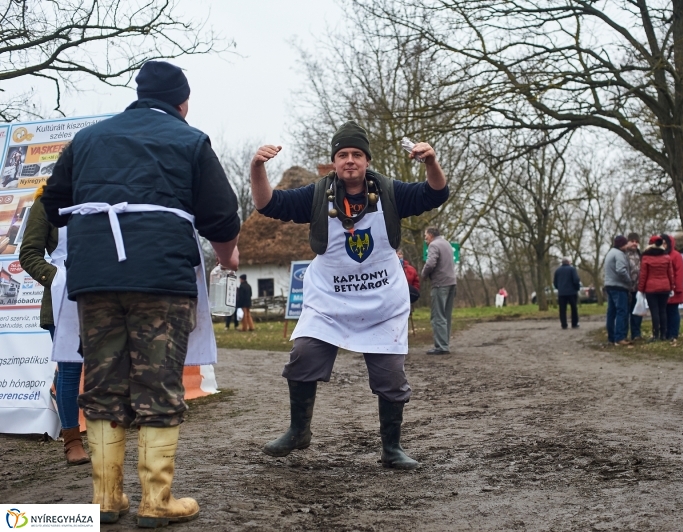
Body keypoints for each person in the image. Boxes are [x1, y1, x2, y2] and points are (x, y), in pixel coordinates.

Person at [41, 61, 240, 526]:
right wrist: (228, 255)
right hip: (159, 279)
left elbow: (52, 203)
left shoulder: (88, 139)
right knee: (157, 383)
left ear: (137, 94)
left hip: (94, 278)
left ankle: (106, 499)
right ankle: (156, 501)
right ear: (183, 103)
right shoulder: (191, 140)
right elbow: (222, 216)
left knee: (104, 383)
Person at [250, 121, 448, 470]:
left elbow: (434, 194)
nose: (350, 160)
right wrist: (257, 168)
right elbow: (269, 204)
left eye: (357, 154)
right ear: (335, 161)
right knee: (303, 356)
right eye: (342, 155)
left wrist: (431, 161)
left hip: (382, 304)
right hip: (329, 302)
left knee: (391, 377)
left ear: (367, 160)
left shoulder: (390, 192)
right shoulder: (316, 196)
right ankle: (299, 431)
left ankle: (392, 447)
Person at [19, 184, 90, 466]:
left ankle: (58, 387)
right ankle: (72, 440)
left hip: (100, 289)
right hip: (62, 295)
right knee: (72, 366)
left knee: (97, 363)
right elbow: (28, 254)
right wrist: (57, 278)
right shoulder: (46, 202)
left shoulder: (98, 198)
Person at [421, 227, 457, 355]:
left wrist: (423, 275)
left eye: (426, 236)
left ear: (430, 235)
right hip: (452, 282)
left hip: (440, 284)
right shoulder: (446, 243)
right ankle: (445, 344)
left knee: (438, 315)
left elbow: (430, 263)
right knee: (446, 315)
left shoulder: (433, 245)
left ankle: (441, 346)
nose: (425, 238)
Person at [638, 235, 675, 342]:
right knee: (663, 311)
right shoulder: (667, 257)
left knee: (654, 311)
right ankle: (664, 335)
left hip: (651, 288)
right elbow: (670, 274)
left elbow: (643, 275)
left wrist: (640, 290)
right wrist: (671, 287)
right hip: (665, 287)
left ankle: (656, 335)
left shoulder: (646, 258)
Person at [603, 235, 632, 345]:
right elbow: (621, 270)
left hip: (609, 285)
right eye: (625, 244)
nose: (627, 246)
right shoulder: (619, 254)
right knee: (622, 312)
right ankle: (620, 338)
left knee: (611, 313)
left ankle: (611, 337)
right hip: (619, 287)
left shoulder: (610, 252)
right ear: (622, 245)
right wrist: (629, 281)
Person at [662, 234, 683, 342]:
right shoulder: (661, 255)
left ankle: (673, 334)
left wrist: (677, 288)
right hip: (663, 289)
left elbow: (679, 273)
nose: (663, 245)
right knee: (665, 313)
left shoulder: (676, 256)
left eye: (665, 243)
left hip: (673, 290)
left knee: (673, 312)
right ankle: (666, 333)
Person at [625, 233, 643, 341]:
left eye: (636, 241)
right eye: (632, 241)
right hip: (626, 288)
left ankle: (636, 334)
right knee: (625, 313)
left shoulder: (640, 255)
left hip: (638, 289)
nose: (634, 243)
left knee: (637, 313)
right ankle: (624, 334)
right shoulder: (624, 254)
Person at [553, 258, 580, 329]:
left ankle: (564, 324)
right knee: (574, 308)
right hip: (572, 292)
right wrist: (577, 288)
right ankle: (574, 323)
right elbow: (576, 280)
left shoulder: (557, 271)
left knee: (562, 309)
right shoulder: (572, 269)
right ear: (568, 262)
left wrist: (559, 288)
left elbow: (555, 283)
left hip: (561, 293)